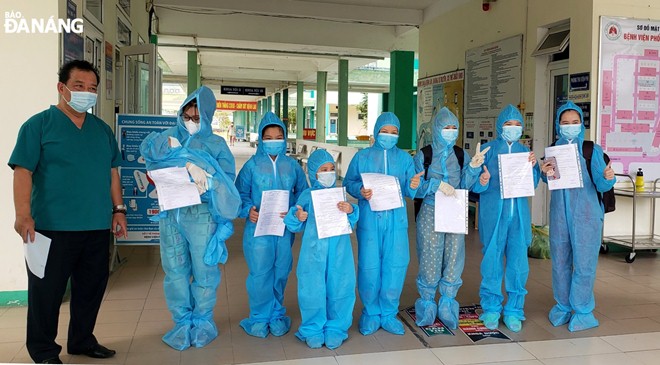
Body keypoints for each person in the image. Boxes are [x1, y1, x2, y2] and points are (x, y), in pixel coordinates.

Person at [9, 60, 125, 364]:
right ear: (62, 88)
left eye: (92, 89)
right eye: (79, 86)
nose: (86, 93)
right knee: (46, 294)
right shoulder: (39, 125)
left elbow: (112, 172)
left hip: (96, 226)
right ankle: (44, 351)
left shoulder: (101, 131)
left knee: (90, 290)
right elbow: (23, 171)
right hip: (50, 228)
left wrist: (119, 210)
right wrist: (23, 214)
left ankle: (82, 340)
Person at [140, 85, 241, 350]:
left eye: (197, 118)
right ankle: (182, 322)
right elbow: (149, 155)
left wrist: (207, 177)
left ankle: (203, 322)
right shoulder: (167, 136)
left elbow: (228, 181)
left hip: (203, 215)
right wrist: (181, 157)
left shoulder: (216, 144)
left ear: (207, 117)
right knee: (174, 271)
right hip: (172, 214)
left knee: (204, 271)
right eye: (187, 115)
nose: (191, 121)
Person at [343, 112, 423, 335]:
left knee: (395, 265)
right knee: (369, 266)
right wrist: (359, 190)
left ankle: (388, 313)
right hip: (370, 220)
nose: (389, 135)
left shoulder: (406, 159)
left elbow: (409, 188)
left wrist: (414, 183)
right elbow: (349, 182)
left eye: (394, 132)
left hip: (396, 221)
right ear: (376, 132)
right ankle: (370, 313)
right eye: (384, 131)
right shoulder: (363, 157)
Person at [541, 101, 615, 332]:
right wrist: (544, 173)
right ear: (558, 125)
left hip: (586, 216)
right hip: (560, 216)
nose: (570, 126)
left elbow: (602, 184)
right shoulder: (553, 149)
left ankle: (582, 310)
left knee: (584, 265)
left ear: (581, 124)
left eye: (575, 123)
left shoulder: (591, 149)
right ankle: (563, 306)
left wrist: (608, 177)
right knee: (560, 263)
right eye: (565, 123)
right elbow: (550, 180)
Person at [412, 107, 488, 329]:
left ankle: (447, 305)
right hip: (430, 211)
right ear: (437, 128)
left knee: (454, 257)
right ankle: (426, 305)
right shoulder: (423, 155)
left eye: (454, 128)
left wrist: (473, 168)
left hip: (454, 211)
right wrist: (434, 185)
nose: (451, 131)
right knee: (430, 257)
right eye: (446, 127)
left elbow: (465, 185)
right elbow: (414, 189)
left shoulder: (460, 154)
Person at [235, 112, 308, 338]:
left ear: (285, 138)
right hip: (258, 230)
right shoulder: (252, 165)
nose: (274, 140)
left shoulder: (292, 165)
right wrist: (249, 210)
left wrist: (295, 209)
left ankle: (276, 314)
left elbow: (303, 192)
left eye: (278, 136)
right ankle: (259, 316)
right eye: (269, 136)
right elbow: (240, 194)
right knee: (260, 273)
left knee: (281, 271)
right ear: (261, 138)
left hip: (284, 229)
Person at [473, 104, 540, 333]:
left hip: (518, 217)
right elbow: (474, 185)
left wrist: (532, 167)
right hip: (494, 216)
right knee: (491, 262)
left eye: (517, 124)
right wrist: (481, 180)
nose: (513, 128)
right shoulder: (488, 151)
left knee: (518, 265)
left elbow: (533, 183)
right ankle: (491, 308)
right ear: (499, 126)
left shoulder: (525, 152)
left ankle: (514, 310)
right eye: (508, 124)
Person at [283, 149, 359, 349]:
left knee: (340, 285)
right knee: (312, 288)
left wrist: (351, 209)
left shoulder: (339, 194)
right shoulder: (307, 195)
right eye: (323, 169)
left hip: (339, 250)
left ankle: (336, 327)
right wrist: (297, 216)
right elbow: (293, 222)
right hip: (313, 252)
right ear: (313, 173)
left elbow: (352, 218)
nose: (329, 173)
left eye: (332, 169)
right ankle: (313, 327)